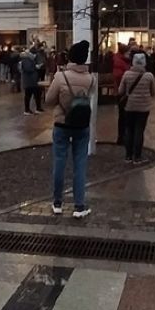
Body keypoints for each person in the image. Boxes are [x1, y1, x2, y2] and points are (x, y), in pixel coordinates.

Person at [45, 40, 95, 218]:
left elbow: (49, 101)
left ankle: (57, 203)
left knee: (59, 162)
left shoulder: (60, 77)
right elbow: (87, 98)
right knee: (80, 165)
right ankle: (79, 206)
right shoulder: (90, 79)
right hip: (81, 125)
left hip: (61, 124)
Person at [118, 52, 155, 164]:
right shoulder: (149, 76)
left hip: (129, 106)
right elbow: (153, 92)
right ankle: (137, 157)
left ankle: (128, 156)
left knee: (129, 130)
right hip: (143, 108)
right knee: (139, 130)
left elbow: (120, 91)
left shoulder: (126, 74)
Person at [111, 46, 130, 142]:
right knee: (123, 115)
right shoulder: (120, 62)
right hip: (122, 92)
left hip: (122, 91)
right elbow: (118, 76)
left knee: (124, 115)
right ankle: (122, 137)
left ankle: (123, 136)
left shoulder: (122, 60)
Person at [21, 47, 43, 114]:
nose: (35, 56)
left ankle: (37, 108)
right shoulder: (26, 60)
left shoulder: (30, 59)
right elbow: (28, 69)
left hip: (32, 80)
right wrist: (36, 67)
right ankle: (27, 110)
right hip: (29, 81)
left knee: (37, 94)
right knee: (28, 96)